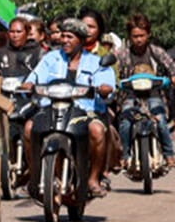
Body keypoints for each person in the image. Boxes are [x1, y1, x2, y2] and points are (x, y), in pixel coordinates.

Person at [27, 18, 116, 197]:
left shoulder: (96, 62)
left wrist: (105, 89)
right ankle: (34, 175)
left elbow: (108, 85)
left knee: (98, 131)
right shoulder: (50, 58)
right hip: (52, 108)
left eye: (70, 37)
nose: (65, 40)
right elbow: (34, 77)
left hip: (84, 111)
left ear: (81, 40)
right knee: (29, 129)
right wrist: (28, 84)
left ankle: (93, 178)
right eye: (63, 36)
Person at [113, 13, 175, 171]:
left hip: (154, 95)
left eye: (141, 35)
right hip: (130, 96)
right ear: (129, 37)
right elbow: (112, 68)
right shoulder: (122, 53)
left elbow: (170, 64)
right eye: (135, 36)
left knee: (161, 122)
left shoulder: (156, 52)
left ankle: (169, 155)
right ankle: (124, 156)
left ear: (148, 34)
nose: (138, 39)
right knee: (125, 124)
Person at [0, 16, 44, 81]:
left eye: (19, 32)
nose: (15, 35)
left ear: (27, 33)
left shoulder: (38, 52)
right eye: (12, 32)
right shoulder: (0, 53)